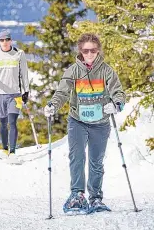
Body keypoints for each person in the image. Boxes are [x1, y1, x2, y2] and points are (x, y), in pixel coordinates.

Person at [44, 33, 126, 214]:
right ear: (80, 51)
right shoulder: (73, 71)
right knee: (77, 157)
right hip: (77, 121)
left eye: (93, 50)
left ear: (98, 51)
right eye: (86, 50)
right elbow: (62, 93)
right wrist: (52, 106)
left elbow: (118, 93)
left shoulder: (106, 71)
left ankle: (96, 198)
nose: (89, 54)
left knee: (96, 161)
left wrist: (116, 105)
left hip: (101, 123)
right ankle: (77, 195)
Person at [0, 29, 30, 158]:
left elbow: (24, 74)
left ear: (11, 40)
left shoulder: (19, 54)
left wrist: (26, 91)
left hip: (15, 94)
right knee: (3, 123)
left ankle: (12, 151)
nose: (4, 42)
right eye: (1, 40)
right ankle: (4, 149)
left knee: (12, 122)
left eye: (7, 40)